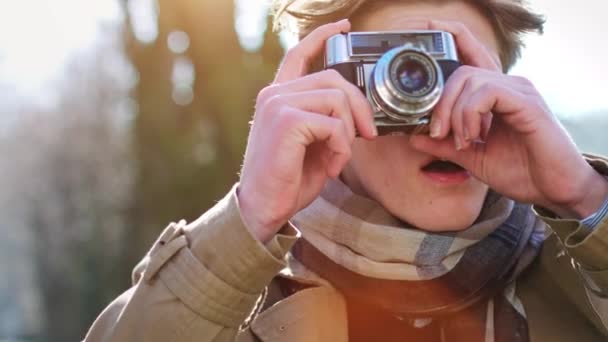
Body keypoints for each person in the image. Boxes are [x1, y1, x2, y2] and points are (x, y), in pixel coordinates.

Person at [84, 0, 608, 341]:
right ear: (328, 98)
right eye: (403, 76)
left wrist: (585, 198)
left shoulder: (584, 285)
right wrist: (247, 221)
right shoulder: (235, 299)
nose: (438, 118)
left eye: (460, 77)